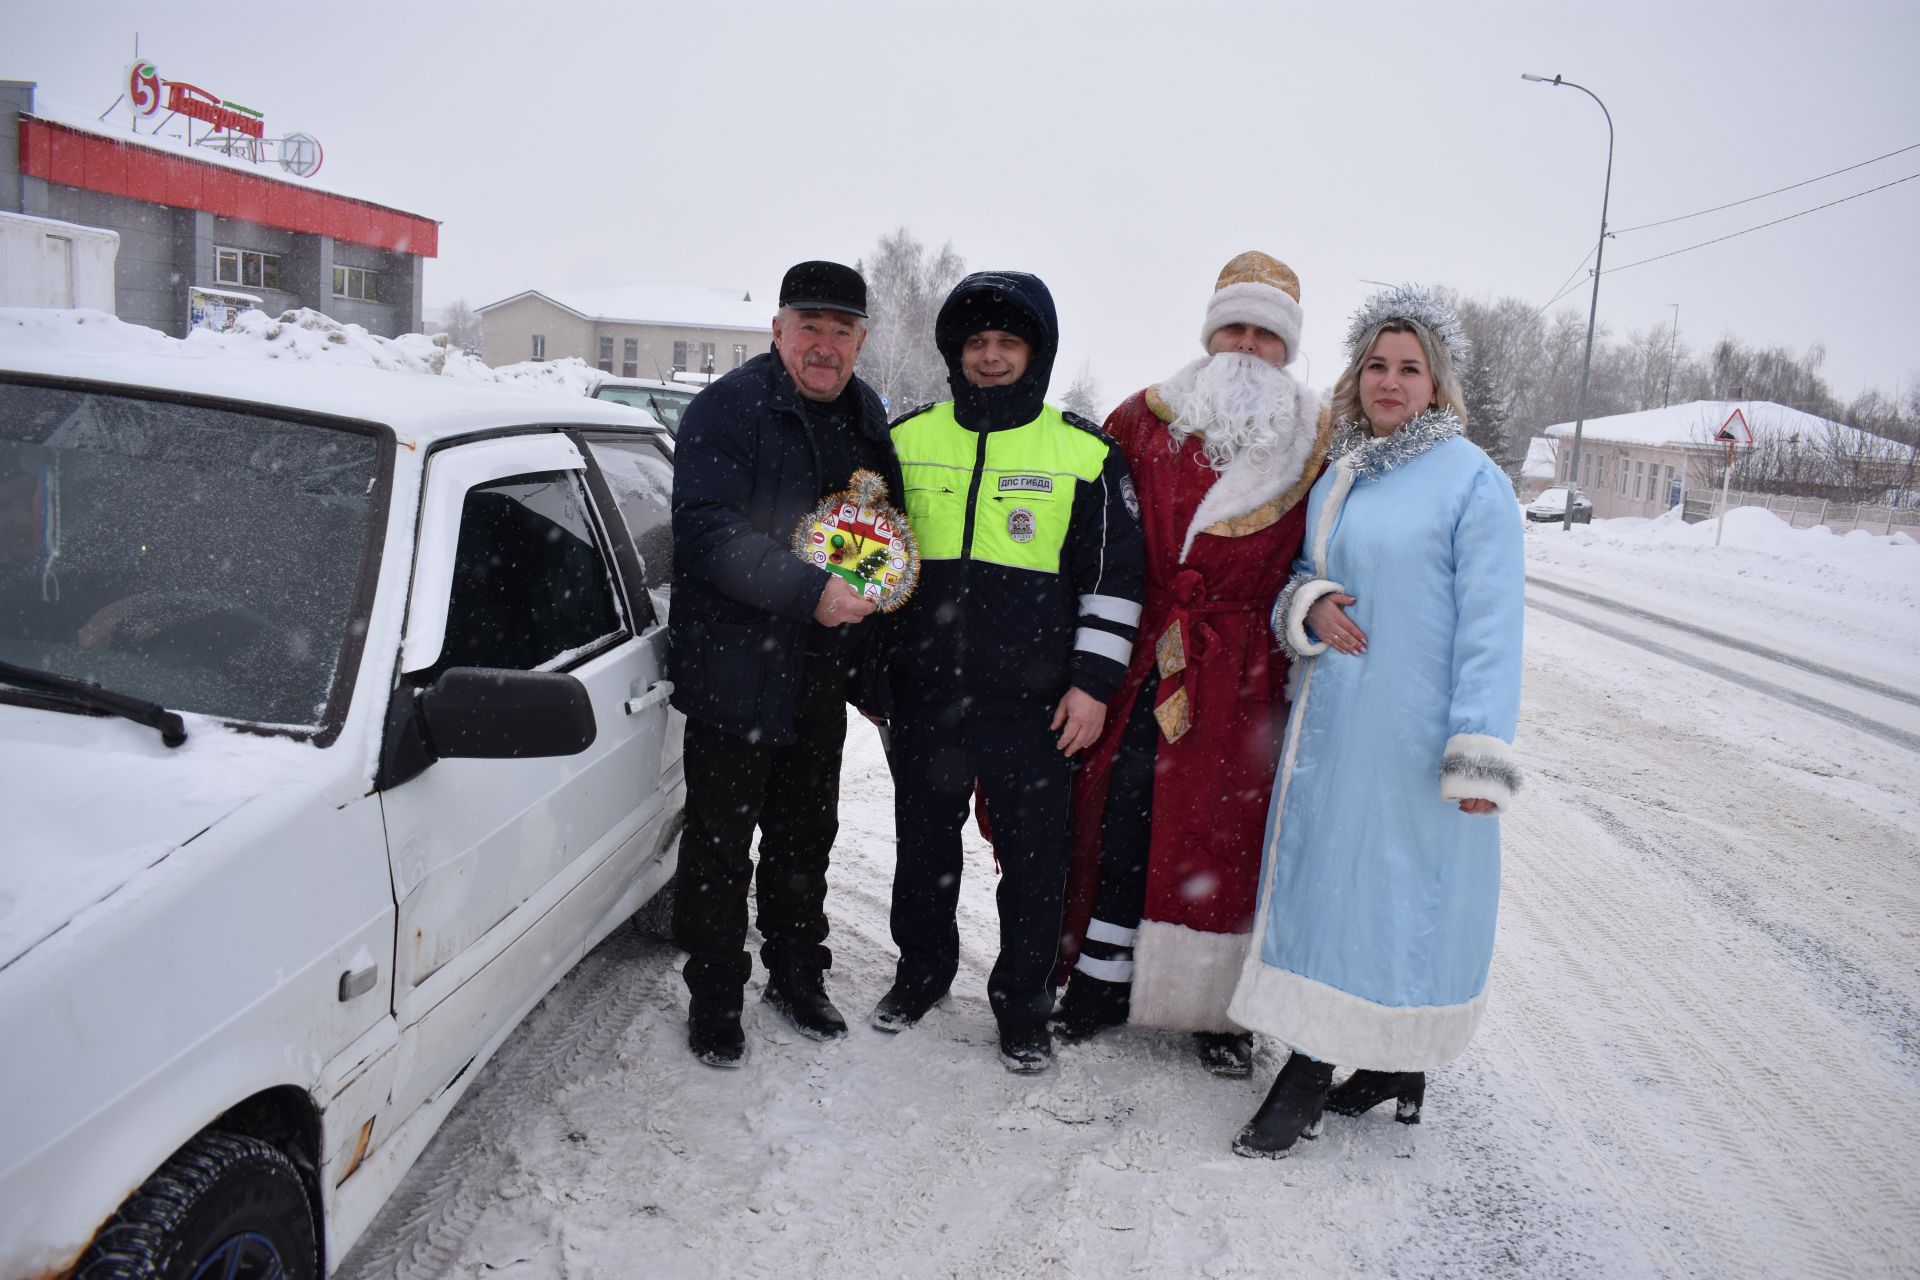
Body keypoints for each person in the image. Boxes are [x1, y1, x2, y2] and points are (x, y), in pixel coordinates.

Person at [1224, 284, 1524, 1156]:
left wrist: (1476, 751)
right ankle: (1388, 1061)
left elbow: (1493, 630)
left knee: (1396, 895)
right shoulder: (1344, 469)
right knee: (1334, 886)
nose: (1390, 382)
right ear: (1358, 375)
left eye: (1410, 368)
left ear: (1438, 383)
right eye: (1377, 366)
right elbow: (1304, 573)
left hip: (1417, 732)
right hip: (1334, 726)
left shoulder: (1474, 480)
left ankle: (1314, 1067)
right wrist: (1309, 605)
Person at [1048, 251, 1331, 1078]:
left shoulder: (1318, 440)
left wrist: (1316, 603)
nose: (1248, 346)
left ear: (1289, 348)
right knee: (1120, 809)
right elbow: (1093, 536)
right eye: (1235, 328)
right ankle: (1098, 985)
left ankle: (1221, 1011)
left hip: (1247, 671)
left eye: (1267, 335)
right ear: (1210, 335)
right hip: (1145, 651)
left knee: (1228, 834)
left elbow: (1338, 549)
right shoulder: (1141, 417)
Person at [874, 270, 1145, 1073]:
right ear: (956, 353)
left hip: (1034, 710)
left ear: (1037, 352)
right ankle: (920, 975)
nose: (990, 357)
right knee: (924, 850)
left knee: (1034, 866)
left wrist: (1092, 687)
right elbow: (869, 564)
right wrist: (875, 671)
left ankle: (1024, 1007)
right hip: (926, 698)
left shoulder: (1085, 453)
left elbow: (1113, 583)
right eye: (976, 343)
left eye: (1007, 343)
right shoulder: (906, 439)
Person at [668, 260, 906, 1068]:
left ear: (862, 342)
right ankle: (715, 997)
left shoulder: (867, 415)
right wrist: (810, 592)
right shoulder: (726, 411)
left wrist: (868, 653)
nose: (824, 345)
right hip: (734, 669)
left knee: (807, 838)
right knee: (720, 846)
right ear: (777, 330)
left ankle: (798, 975)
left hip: (818, 673)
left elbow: (877, 529)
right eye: (810, 326)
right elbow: (706, 534)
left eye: (843, 331)